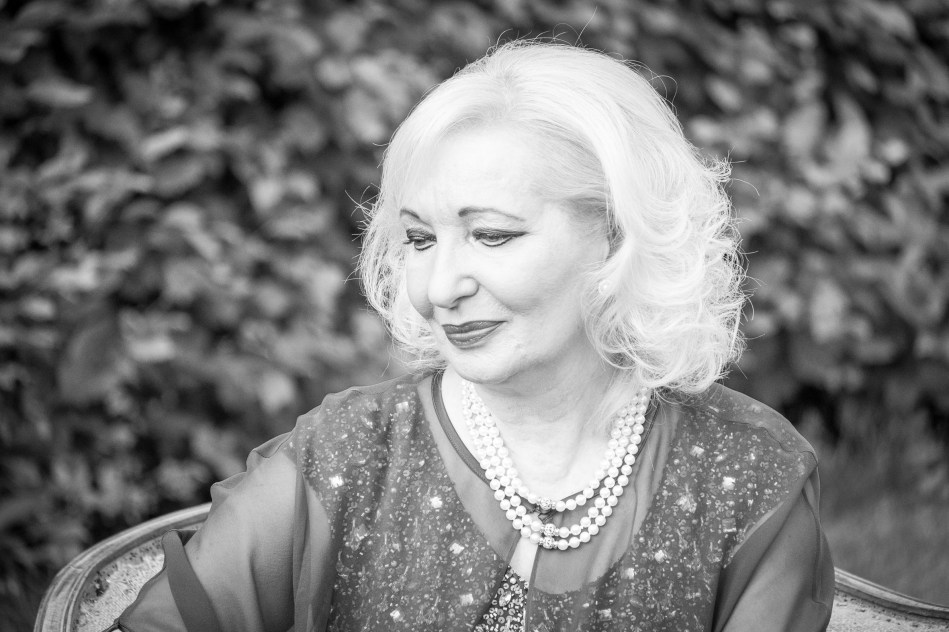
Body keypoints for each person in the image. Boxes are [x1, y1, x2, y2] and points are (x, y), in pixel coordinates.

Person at [109, 40, 834, 632]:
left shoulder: (747, 478)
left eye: (490, 235)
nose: (437, 287)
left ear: (618, 235)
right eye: (419, 240)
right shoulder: (346, 455)